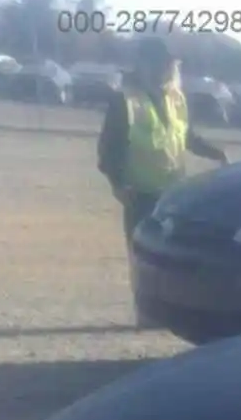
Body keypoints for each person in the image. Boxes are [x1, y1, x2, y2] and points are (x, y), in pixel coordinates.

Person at [97, 34, 227, 259]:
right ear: (143, 64)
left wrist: (215, 153)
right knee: (145, 262)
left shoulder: (175, 98)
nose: (168, 69)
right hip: (141, 198)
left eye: (171, 64)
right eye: (161, 63)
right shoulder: (125, 100)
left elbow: (185, 135)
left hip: (174, 196)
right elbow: (108, 148)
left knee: (173, 260)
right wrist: (117, 185)